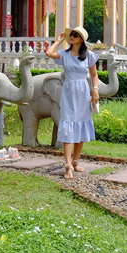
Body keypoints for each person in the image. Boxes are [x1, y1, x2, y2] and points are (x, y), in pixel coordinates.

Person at [45, 26, 100, 179]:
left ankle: (76, 161)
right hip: (69, 93)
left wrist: (95, 89)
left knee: (81, 125)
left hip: (83, 93)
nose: (72, 36)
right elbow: (49, 53)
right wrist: (59, 40)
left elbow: (94, 75)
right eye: (71, 34)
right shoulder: (64, 54)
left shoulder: (89, 56)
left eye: (75, 35)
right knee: (68, 125)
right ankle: (67, 165)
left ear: (82, 39)